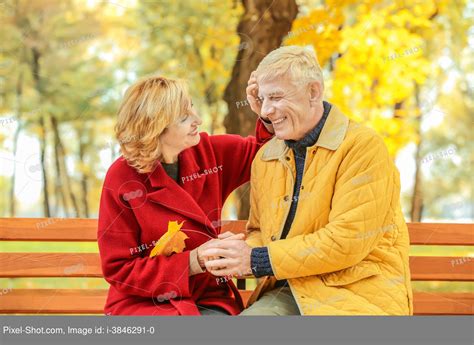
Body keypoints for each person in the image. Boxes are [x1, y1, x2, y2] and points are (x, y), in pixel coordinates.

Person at [202, 45, 413, 315]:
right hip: (290, 290)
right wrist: (235, 252)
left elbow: (347, 241)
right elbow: (260, 232)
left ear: (313, 92)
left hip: (357, 292)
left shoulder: (362, 146)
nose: (266, 110)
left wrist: (256, 260)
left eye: (276, 97)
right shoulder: (266, 158)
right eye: (262, 99)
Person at [97, 75, 273, 315]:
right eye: (184, 117)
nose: (197, 120)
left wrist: (267, 113)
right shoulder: (122, 178)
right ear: (155, 128)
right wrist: (194, 261)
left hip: (207, 297)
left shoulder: (210, 153)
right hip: (143, 303)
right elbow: (119, 269)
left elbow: (268, 155)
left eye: (192, 107)